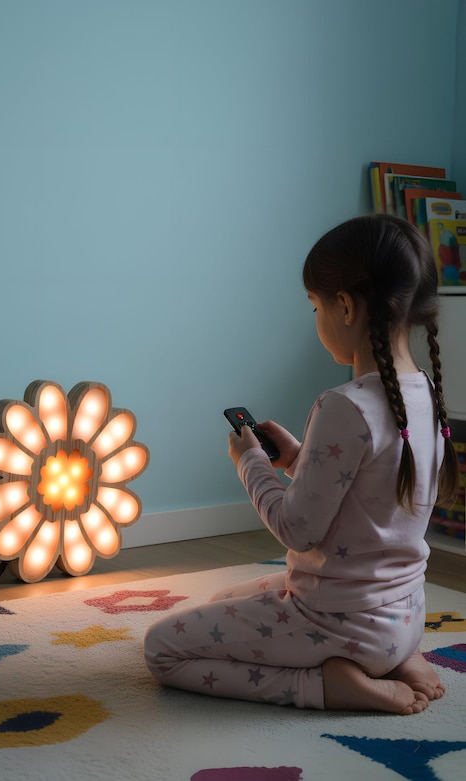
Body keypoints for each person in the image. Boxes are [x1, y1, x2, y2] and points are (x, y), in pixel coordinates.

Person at [144, 213, 459, 715]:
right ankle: (397, 659)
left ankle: (328, 685)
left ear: (345, 306)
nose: (316, 318)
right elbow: (367, 496)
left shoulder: (344, 404)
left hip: (338, 623)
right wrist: (295, 459)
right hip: (402, 618)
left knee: (163, 647)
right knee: (220, 604)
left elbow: (297, 530)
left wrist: (251, 462)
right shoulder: (425, 391)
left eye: (315, 305)